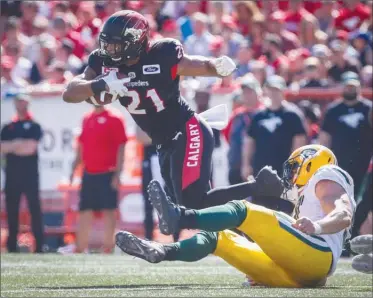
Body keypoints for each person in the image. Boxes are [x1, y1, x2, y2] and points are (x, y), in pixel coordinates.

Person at [63, 10, 283, 211]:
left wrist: (216, 66)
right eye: (107, 44)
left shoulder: (162, 54)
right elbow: (70, 93)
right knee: (188, 205)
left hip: (187, 129)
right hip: (164, 140)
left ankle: (258, 188)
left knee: (192, 202)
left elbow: (194, 64)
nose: (110, 50)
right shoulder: (102, 62)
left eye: (116, 45)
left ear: (135, 42)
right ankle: (257, 192)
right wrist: (99, 85)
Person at [116, 144, 356, 288]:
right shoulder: (302, 198)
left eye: (294, 167)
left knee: (243, 210)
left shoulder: (326, 174)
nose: (291, 174)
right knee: (217, 237)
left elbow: (343, 213)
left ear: (312, 161)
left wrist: (316, 226)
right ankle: (162, 251)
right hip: (304, 275)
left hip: (316, 256)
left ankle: (180, 217)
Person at [69, 105, 127, 253]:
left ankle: (108, 247)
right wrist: (74, 168)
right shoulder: (87, 117)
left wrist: (118, 174)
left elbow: (121, 146)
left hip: (108, 172)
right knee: (84, 210)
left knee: (109, 210)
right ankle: (80, 248)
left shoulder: (115, 117)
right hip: (88, 173)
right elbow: (81, 145)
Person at [0, 93, 44, 253]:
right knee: (11, 211)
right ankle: (11, 246)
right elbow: (2, 148)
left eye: (24, 102)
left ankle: (39, 246)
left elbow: (30, 148)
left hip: (30, 175)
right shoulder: (7, 127)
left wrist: (13, 145)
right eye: (19, 101)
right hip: (12, 175)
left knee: (35, 210)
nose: (21, 105)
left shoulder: (34, 126)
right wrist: (17, 145)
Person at [241, 75, 307, 179]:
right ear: (266, 90)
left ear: (283, 91)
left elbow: (299, 143)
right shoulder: (259, 115)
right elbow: (249, 141)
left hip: (284, 172)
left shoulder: (293, 115)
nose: (273, 93)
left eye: (276, 89)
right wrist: (246, 165)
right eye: (270, 89)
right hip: (260, 171)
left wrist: (294, 167)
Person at [319, 71, 372, 198]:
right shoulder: (333, 110)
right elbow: (324, 138)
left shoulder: (369, 108)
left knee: (362, 202)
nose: (350, 89)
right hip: (339, 164)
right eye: (348, 86)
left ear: (359, 86)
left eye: (353, 86)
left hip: (364, 163)